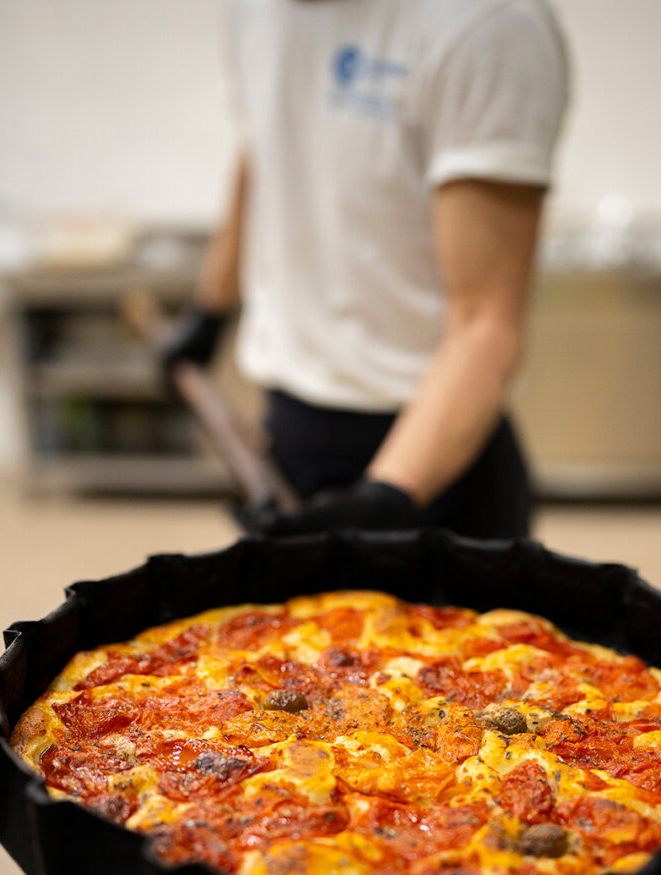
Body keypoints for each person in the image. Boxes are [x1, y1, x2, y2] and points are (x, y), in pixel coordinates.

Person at [163, 0, 569, 539]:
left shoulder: (487, 25)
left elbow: (485, 326)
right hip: (290, 424)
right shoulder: (251, 10)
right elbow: (262, 147)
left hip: (434, 455)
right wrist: (208, 311)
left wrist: (386, 498)